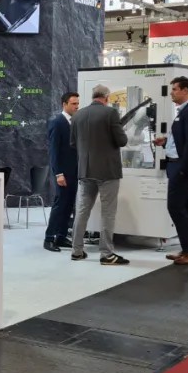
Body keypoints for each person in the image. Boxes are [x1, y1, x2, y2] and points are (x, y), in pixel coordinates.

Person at [69, 85, 129, 265]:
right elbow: (122, 140)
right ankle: (106, 254)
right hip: (107, 171)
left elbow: (73, 143)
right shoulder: (110, 113)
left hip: (85, 170)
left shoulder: (78, 115)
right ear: (107, 97)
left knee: (81, 211)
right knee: (108, 212)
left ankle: (76, 251)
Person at [154, 77, 188, 266]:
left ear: (185, 90)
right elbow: (182, 139)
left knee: (175, 207)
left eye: (175, 89)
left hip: (182, 166)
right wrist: (166, 142)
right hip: (176, 164)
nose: (172, 92)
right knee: (185, 207)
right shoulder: (184, 111)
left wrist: (184, 168)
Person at [43, 92, 80, 252]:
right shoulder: (57, 122)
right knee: (60, 205)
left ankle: (61, 236)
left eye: (77, 103)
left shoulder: (74, 122)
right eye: (73, 104)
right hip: (62, 173)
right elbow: (54, 151)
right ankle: (49, 238)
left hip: (74, 172)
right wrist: (58, 174)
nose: (77, 106)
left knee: (69, 205)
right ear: (64, 104)